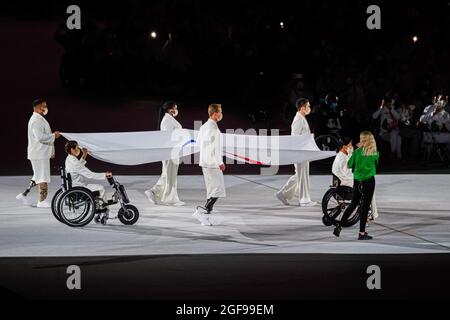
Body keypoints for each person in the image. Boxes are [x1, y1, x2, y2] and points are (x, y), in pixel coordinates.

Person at [333, 131, 379, 240]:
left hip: (357, 182)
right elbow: (376, 163)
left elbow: (349, 165)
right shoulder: (375, 152)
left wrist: (357, 151)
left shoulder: (357, 152)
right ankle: (362, 233)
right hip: (369, 181)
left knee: (353, 204)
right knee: (365, 207)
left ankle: (339, 226)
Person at [16, 99, 61, 208]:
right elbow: (40, 137)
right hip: (39, 154)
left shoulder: (39, 119)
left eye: (45, 105)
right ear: (36, 107)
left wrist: (51, 149)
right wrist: (53, 136)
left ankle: (24, 195)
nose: (45, 108)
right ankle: (42, 201)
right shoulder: (36, 121)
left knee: (37, 176)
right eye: (43, 106)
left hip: (40, 153)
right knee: (43, 177)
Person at [276, 98, 317, 207]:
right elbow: (295, 138)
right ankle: (304, 200)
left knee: (299, 176)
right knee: (302, 176)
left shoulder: (302, 118)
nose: (309, 108)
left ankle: (283, 194)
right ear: (303, 108)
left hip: (303, 152)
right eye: (308, 106)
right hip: (300, 153)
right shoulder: (298, 119)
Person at [145, 101, 184, 206]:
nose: (176, 110)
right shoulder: (167, 120)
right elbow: (168, 137)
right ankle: (154, 191)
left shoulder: (170, 119)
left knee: (169, 174)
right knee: (168, 174)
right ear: (169, 109)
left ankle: (162, 195)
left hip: (173, 151)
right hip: (170, 151)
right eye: (175, 108)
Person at [195, 103, 226, 219]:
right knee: (217, 188)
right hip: (213, 163)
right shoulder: (213, 128)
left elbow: (198, 143)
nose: (221, 114)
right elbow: (214, 148)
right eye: (220, 112)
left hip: (204, 161)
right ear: (215, 113)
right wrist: (220, 162)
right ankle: (206, 208)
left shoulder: (203, 127)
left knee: (211, 188)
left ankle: (208, 212)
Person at [372, 91, 402, 160]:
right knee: (396, 135)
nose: (392, 101)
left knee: (398, 137)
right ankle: (394, 155)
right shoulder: (382, 109)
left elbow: (398, 117)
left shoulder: (396, 109)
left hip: (393, 133)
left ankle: (397, 156)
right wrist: (381, 107)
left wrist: (391, 109)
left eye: (393, 100)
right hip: (384, 133)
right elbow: (374, 116)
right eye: (391, 99)